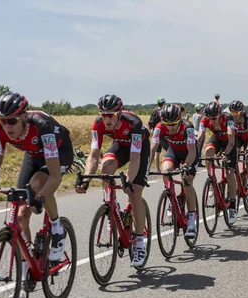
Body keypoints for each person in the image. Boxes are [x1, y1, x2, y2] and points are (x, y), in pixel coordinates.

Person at [0, 92, 74, 298]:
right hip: (34, 155)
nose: (7, 126)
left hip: (59, 153)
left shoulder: (42, 127)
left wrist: (40, 198)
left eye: (12, 121)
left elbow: (54, 177)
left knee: (38, 184)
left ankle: (57, 228)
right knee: (20, 215)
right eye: (3, 120)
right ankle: (27, 269)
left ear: (24, 117)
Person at [77, 94, 151, 268]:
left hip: (139, 151)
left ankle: (140, 243)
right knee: (106, 167)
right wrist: (87, 179)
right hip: (120, 146)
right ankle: (112, 207)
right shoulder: (98, 124)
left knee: (134, 193)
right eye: (103, 115)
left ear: (119, 113)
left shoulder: (133, 123)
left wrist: (129, 182)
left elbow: (134, 159)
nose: (106, 119)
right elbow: (94, 156)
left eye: (110, 115)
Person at [151, 104, 198, 236]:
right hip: (174, 151)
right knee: (165, 171)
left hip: (189, 153)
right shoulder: (159, 127)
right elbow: (153, 147)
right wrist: (147, 167)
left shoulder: (187, 127)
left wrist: (186, 165)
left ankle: (192, 221)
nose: (170, 127)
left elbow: (192, 151)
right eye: (168, 124)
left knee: (187, 181)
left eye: (174, 124)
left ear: (179, 120)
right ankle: (172, 198)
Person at [197, 101, 238, 224]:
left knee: (230, 173)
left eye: (214, 118)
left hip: (229, 143)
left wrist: (225, 154)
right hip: (217, 139)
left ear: (220, 115)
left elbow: (231, 139)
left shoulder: (228, 118)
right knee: (208, 151)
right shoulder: (204, 120)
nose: (212, 121)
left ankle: (232, 205)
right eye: (210, 118)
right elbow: (200, 138)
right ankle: (211, 178)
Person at [148, 97, 168, 172]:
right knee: (169, 150)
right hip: (164, 134)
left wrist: (151, 132)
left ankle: (157, 168)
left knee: (157, 152)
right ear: (163, 103)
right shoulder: (165, 112)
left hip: (156, 134)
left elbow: (150, 123)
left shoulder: (155, 112)